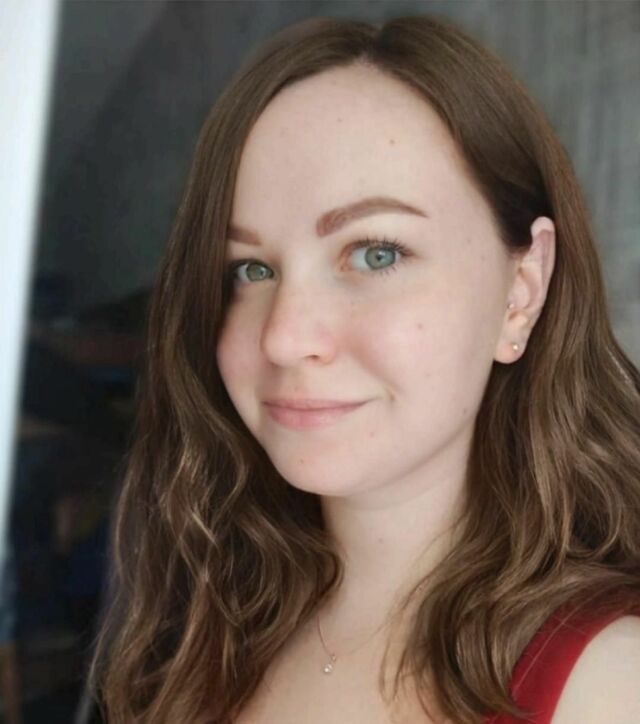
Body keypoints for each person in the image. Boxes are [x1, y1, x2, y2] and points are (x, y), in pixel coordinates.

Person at [87, 14, 640, 724]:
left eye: (376, 253)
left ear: (521, 290)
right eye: (249, 270)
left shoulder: (608, 683)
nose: (284, 337)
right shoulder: (201, 636)